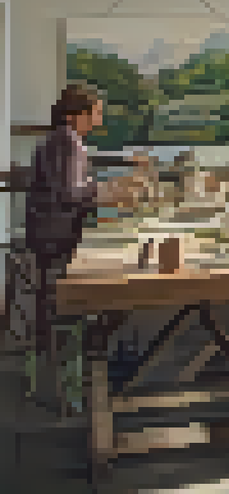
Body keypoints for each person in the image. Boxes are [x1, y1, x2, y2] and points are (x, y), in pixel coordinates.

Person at [23, 85, 137, 404]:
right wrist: (111, 191)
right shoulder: (67, 141)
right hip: (55, 237)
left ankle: (87, 360)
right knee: (106, 283)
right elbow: (70, 194)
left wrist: (104, 189)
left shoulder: (62, 139)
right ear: (76, 115)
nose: (99, 118)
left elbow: (71, 187)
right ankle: (81, 371)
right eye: (96, 112)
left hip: (47, 234)